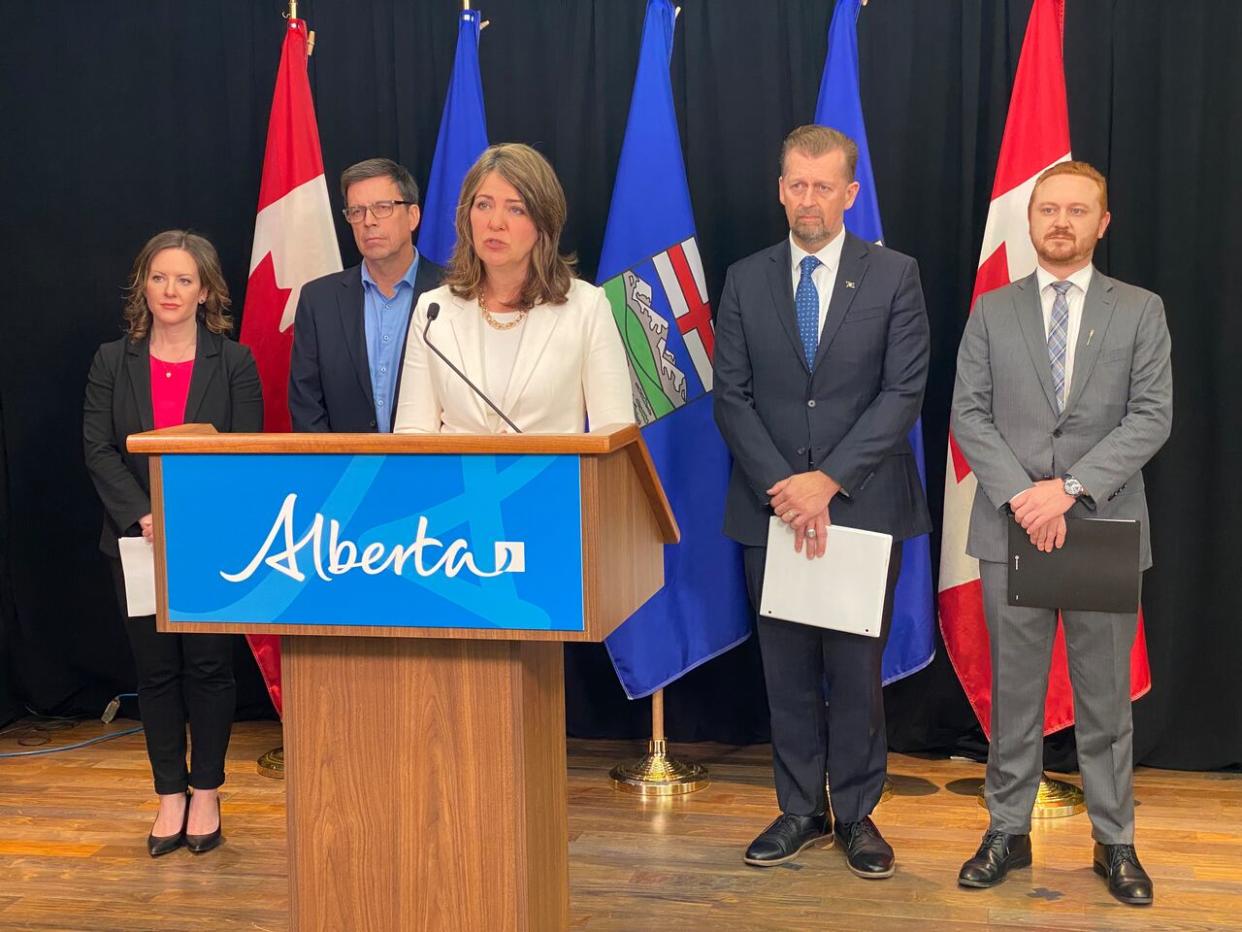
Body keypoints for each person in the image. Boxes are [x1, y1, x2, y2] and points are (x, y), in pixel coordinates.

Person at [950, 161, 1172, 905]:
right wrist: (1024, 497)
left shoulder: (1141, 310)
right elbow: (969, 415)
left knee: (1104, 700)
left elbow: (1151, 417)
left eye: (1078, 210)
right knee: (1014, 695)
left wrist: (1068, 489)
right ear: (1031, 218)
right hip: (1011, 527)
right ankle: (1006, 832)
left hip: (1101, 527)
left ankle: (1115, 843)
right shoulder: (992, 310)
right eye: (1048, 209)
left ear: (1102, 223)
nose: (1061, 222)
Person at [713, 125, 931, 876]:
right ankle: (800, 809)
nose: (809, 200)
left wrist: (827, 482)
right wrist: (788, 488)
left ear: (850, 193)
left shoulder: (894, 275)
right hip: (770, 507)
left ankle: (859, 816)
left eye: (823, 186)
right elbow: (731, 396)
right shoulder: (744, 279)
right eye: (796, 185)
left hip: (861, 507)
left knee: (854, 674)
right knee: (787, 671)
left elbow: (903, 392)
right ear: (781, 189)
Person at [83, 230, 263, 856]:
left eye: (184, 279)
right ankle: (169, 796)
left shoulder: (234, 362)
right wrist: (143, 517)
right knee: (156, 672)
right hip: (136, 543)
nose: (170, 290)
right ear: (144, 285)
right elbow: (98, 449)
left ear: (206, 291)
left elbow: (245, 455)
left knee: (210, 669)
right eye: (159, 277)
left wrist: (187, 516)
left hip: (210, 540)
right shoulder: (112, 360)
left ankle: (208, 792)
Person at [393, 143, 632, 434]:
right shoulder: (434, 312)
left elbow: (615, 434)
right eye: (483, 205)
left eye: (516, 209)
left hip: (553, 479)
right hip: (457, 480)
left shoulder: (586, 307)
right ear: (467, 218)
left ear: (544, 222)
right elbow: (412, 435)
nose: (495, 223)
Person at [289, 158, 444, 432]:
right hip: (342, 471)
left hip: (430, 468)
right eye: (356, 211)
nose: (368, 222)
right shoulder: (319, 300)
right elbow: (307, 405)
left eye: (382, 208)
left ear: (413, 216)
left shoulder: (455, 292)